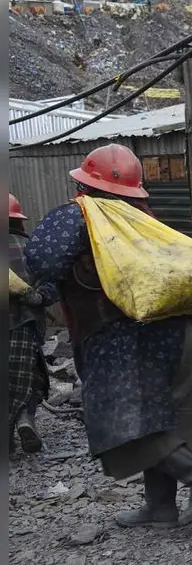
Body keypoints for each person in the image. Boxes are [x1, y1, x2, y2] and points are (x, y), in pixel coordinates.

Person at [24, 144, 192, 528]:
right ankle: (160, 507)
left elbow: (41, 258)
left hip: (117, 337)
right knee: (157, 417)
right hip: (170, 332)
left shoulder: (78, 215)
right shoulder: (143, 217)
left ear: (85, 184)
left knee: (121, 421)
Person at [9, 193, 59, 454]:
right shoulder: (31, 250)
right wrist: (40, 297)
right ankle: (25, 419)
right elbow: (53, 286)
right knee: (28, 379)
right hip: (24, 326)